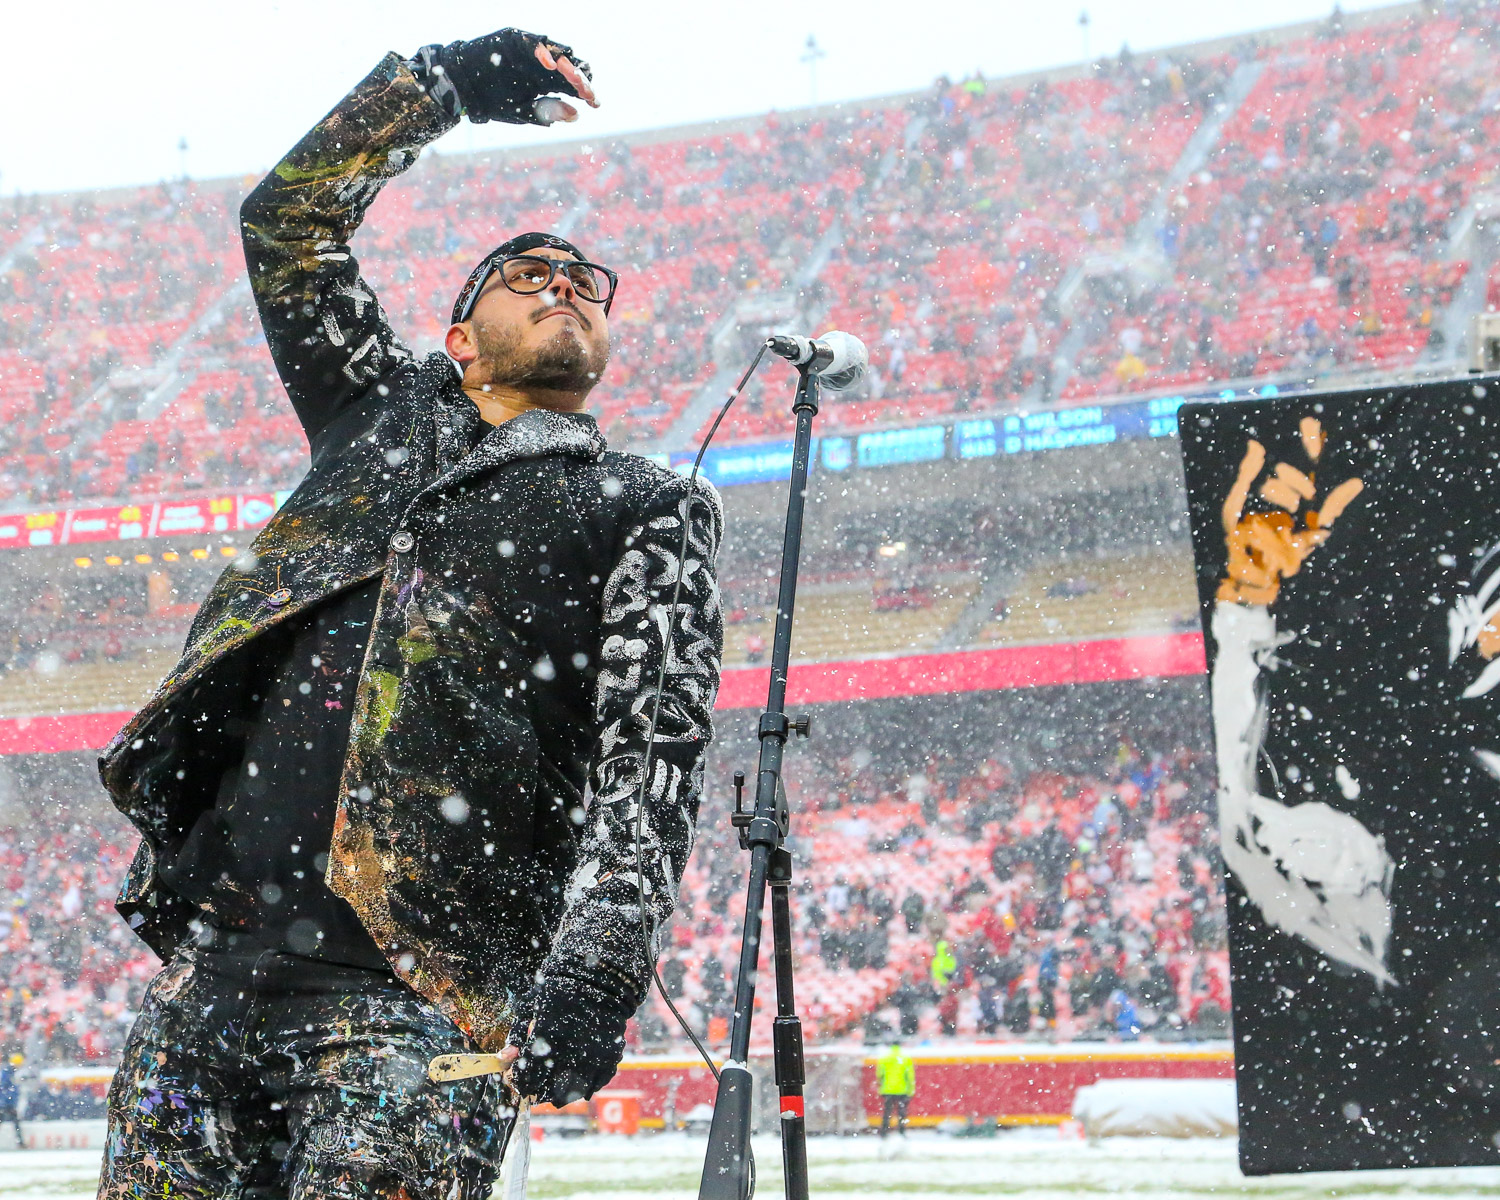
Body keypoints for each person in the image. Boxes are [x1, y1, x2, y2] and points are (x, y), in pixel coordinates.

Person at [95, 27, 723, 1200]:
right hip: (210, 973)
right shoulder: (375, 415)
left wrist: (601, 962)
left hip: (420, 999)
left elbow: (655, 753)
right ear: (454, 339)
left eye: (587, 281)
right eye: (525, 274)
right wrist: (441, 88)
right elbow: (287, 223)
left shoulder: (643, 503)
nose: (564, 286)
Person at [876, 1042, 916, 1137]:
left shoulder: (884, 1058)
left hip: (887, 1089)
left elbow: (879, 1074)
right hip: (902, 1089)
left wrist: (881, 1086)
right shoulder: (905, 1058)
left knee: (887, 1112)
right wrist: (911, 1090)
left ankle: (884, 1131)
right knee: (902, 1112)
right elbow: (910, 1076)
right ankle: (901, 1131)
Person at [0, 1054, 21, 1148]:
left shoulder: (10, 1072)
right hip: (6, 1104)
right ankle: (20, 1142)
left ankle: (20, 1142)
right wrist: (5, 1103)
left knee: (15, 1123)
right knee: (15, 1123)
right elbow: (4, 1089)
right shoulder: (8, 1073)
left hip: (8, 1104)